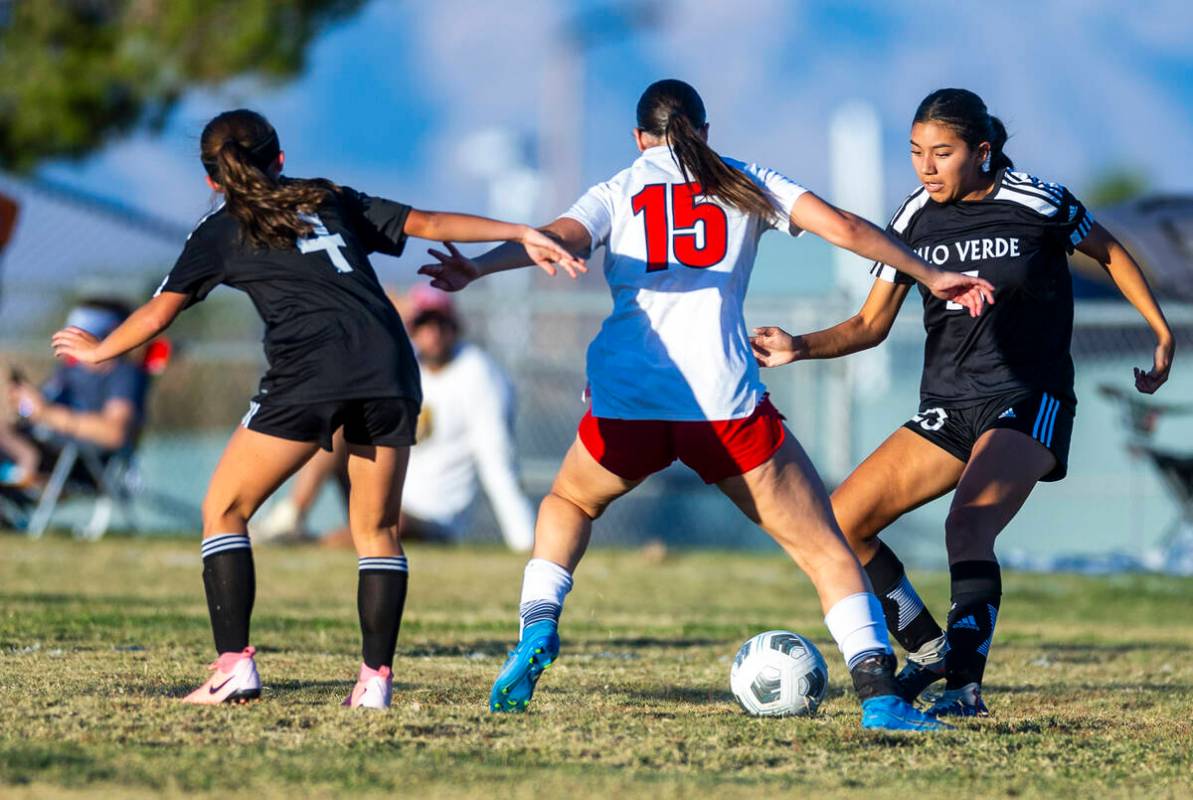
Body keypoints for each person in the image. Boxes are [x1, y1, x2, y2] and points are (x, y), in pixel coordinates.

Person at [420, 79, 993, 730]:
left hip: (628, 399)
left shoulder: (618, 189)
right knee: (824, 548)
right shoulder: (743, 181)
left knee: (570, 502)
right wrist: (931, 273)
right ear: (705, 131)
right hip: (721, 402)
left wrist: (477, 268)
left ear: (640, 138)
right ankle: (880, 697)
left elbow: (556, 237)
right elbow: (845, 228)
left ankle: (536, 627)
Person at [50, 109, 583, 709]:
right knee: (377, 529)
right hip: (390, 363)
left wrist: (100, 351)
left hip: (312, 372)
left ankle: (234, 668)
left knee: (224, 508)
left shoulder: (219, 229)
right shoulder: (327, 196)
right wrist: (519, 231)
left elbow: (158, 313)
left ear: (212, 180)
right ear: (279, 158)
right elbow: (429, 221)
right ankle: (374, 683)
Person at [750, 88, 1174, 717]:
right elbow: (869, 325)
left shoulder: (1041, 201)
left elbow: (1110, 252)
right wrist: (799, 346)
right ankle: (927, 648)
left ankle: (964, 689)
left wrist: (1162, 334)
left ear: (981, 152)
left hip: (1030, 397)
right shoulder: (915, 216)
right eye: (917, 152)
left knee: (967, 522)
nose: (926, 166)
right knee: (841, 523)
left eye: (941, 153)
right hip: (948, 405)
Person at [254, 285, 537, 551]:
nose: (433, 333)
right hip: (386, 486)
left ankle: (313, 547)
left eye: (441, 323)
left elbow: (497, 460)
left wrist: (523, 539)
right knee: (338, 428)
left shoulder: (478, 374)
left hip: (433, 517)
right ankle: (291, 517)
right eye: (423, 324)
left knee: (390, 524)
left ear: (455, 327)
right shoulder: (405, 364)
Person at [2, 298, 148, 490]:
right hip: (39, 447)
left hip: (78, 461)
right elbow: (38, 410)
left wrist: (48, 414)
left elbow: (115, 433)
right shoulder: (68, 370)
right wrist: (26, 404)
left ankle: (25, 465)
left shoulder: (123, 374)